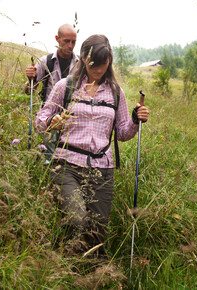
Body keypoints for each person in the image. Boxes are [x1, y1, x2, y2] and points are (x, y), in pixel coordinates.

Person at [33, 34, 149, 258]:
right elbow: (39, 121)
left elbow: (123, 133)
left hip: (102, 169)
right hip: (66, 164)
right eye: (94, 64)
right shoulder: (65, 87)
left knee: (97, 231)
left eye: (104, 64)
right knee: (77, 219)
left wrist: (136, 119)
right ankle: (61, 260)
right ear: (84, 60)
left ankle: (88, 273)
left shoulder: (116, 92)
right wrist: (51, 123)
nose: (99, 69)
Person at [25, 23, 78, 103]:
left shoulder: (81, 64)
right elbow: (29, 92)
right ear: (57, 38)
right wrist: (31, 79)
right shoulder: (45, 61)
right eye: (66, 41)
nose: (70, 45)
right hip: (49, 112)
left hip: (73, 113)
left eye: (73, 42)